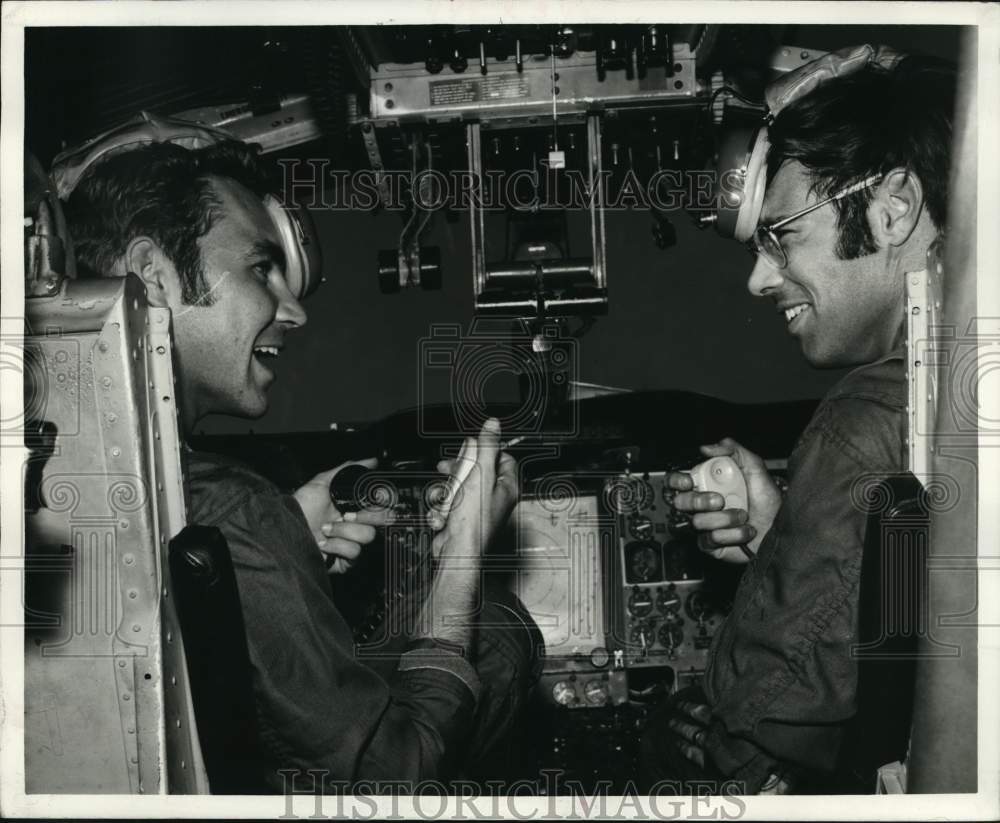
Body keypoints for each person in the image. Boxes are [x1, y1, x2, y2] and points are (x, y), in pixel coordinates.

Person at [61, 138, 542, 791]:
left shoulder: (74, 461)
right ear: (153, 274)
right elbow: (394, 779)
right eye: (262, 269)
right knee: (500, 634)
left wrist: (288, 539)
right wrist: (461, 555)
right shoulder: (231, 505)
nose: (295, 308)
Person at [641, 52, 957, 793]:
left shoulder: (866, 420)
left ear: (894, 207)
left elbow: (751, 739)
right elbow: (900, 624)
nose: (758, 277)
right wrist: (781, 535)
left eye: (780, 234)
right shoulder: (947, 394)